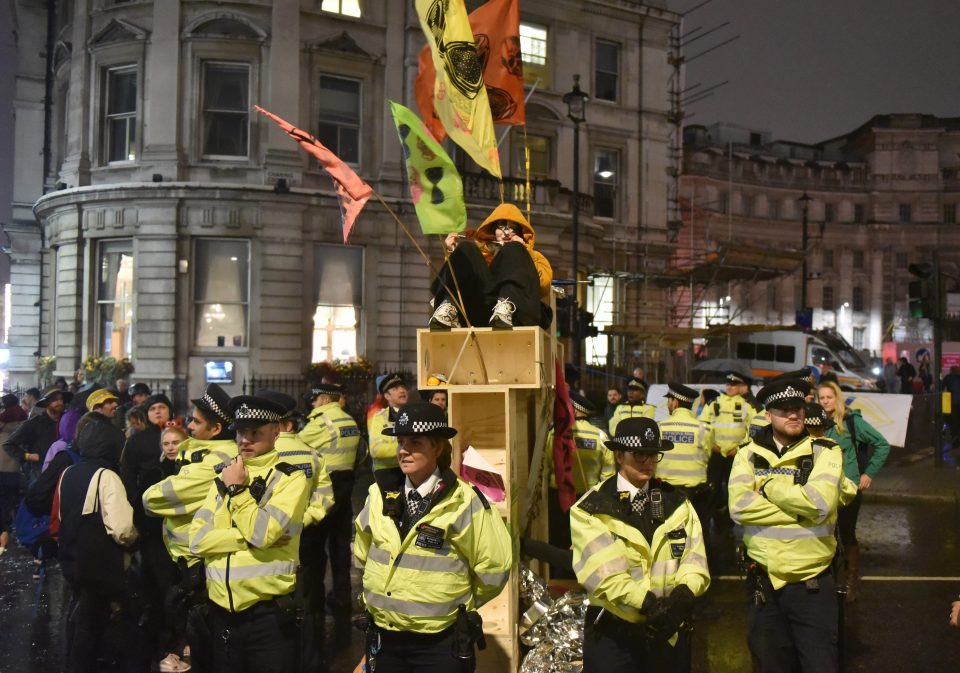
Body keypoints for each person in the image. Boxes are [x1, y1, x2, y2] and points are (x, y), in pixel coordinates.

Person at [354, 401, 512, 673]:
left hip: (438, 644)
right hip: (385, 638)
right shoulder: (378, 494)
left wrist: (458, 605)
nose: (404, 450)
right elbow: (362, 553)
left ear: (437, 447)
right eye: (401, 441)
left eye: (415, 443)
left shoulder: (464, 501)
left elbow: (494, 568)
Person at [571, 417, 709, 672]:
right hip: (614, 633)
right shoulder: (592, 508)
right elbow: (604, 576)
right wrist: (649, 605)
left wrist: (683, 596)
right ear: (619, 455)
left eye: (653, 455)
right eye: (639, 455)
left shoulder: (677, 503)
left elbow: (695, 559)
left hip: (669, 628)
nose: (648, 462)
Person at [729, 378, 844, 673]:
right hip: (764, 585)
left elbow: (819, 505)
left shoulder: (826, 451)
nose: (793, 414)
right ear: (768, 415)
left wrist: (768, 487)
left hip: (812, 586)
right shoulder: (748, 453)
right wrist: (798, 507)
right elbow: (740, 508)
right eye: (783, 409)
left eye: (798, 408)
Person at [188, 394, 310, 673]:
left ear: (276, 432)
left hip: (266, 617)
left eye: (255, 433)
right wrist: (241, 537)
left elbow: (263, 533)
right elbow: (196, 540)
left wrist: (238, 491)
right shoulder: (225, 474)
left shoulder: (289, 478)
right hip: (221, 614)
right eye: (241, 432)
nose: (245, 440)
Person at [143, 383, 238, 673]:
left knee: (203, 636)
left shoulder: (216, 460)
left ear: (216, 429)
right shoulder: (202, 450)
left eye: (197, 422)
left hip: (197, 558)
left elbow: (152, 498)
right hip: (189, 554)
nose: (191, 426)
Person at [56, 410, 138, 673]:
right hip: (100, 563)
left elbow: (60, 515)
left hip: (72, 559)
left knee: (81, 619)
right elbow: (122, 528)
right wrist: (135, 541)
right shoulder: (107, 476)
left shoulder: (69, 472)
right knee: (94, 625)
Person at [265, 389, 334, 673]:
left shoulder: (263, 455)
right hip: (308, 538)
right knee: (310, 601)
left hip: (272, 540)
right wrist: (304, 521)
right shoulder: (313, 454)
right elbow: (325, 497)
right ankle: (312, 660)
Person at [818, 379, 891, 603]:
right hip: (823, 488)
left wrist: (868, 473)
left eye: (829, 397)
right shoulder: (815, 422)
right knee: (826, 534)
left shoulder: (851, 422)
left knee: (847, 533)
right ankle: (827, 582)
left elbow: (882, 444)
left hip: (848, 489)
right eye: (821, 397)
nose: (825, 401)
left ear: (837, 398)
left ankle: (851, 582)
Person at [429, 202, 553, 329]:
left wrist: (526, 252)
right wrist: (452, 251)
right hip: (481, 310)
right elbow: (460, 279)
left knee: (513, 249)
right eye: (501, 227)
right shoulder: (480, 254)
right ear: (493, 230)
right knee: (466, 248)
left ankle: (506, 306)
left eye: (513, 228)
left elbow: (543, 286)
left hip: (516, 312)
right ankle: (448, 307)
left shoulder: (534, 255)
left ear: (521, 233)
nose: (507, 233)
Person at [298, 382, 361, 615]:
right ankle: (342, 596)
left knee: (315, 547)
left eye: (314, 400)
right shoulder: (349, 421)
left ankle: (314, 598)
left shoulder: (322, 422)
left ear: (324, 399)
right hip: (346, 488)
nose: (312, 405)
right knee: (340, 547)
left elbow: (295, 445)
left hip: (324, 489)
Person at [545, 392, 615, 578]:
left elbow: (546, 467)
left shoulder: (556, 434)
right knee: (584, 544)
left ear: (573, 410)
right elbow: (608, 477)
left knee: (558, 542)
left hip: (558, 498)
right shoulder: (601, 437)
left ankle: (557, 580)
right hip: (588, 500)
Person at [699, 372, 753, 527]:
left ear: (740, 386)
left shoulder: (746, 405)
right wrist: (711, 445)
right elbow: (702, 426)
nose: (730, 387)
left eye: (734, 384)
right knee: (711, 488)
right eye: (728, 384)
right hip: (716, 453)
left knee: (735, 489)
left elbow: (752, 429)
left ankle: (730, 523)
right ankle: (708, 521)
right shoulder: (714, 403)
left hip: (735, 455)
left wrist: (740, 448)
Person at [657, 382, 714, 528]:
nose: (667, 404)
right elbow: (706, 457)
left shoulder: (659, 427)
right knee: (697, 535)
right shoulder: (704, 429)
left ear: (675, 402)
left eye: (669, 400)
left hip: (666, 495)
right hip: (696, 496)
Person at [4, 386, 71, 486]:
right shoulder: (34, 423)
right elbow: (9, 444)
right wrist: (28, 456)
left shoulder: (68, 421)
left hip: (64, 474)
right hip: (40, 476)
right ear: (46, 403)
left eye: (61, 399)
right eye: (55, 400)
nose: (59, 402)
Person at [0, 393, 28, 555]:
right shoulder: (23, 421)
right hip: (14, 467)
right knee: (11, 499)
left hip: (1, 467)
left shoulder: (2, 422)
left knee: (3, 499)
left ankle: (5, 528)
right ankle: (12, 527)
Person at [368, 373, 409, 471]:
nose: (402, 390)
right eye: (395, 389)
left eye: (403, 387)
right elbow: (375, 450)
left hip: (411, 471)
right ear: (387, 396)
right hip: (387, 473)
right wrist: (407, 447)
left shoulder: (415, 414)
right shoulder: (380, 418)